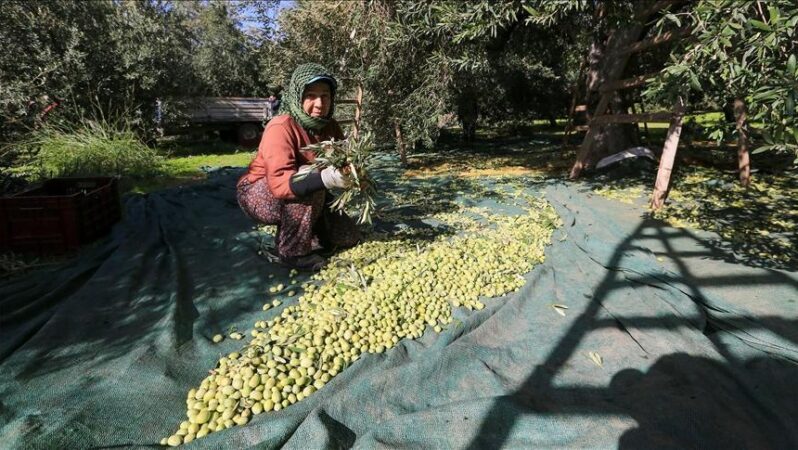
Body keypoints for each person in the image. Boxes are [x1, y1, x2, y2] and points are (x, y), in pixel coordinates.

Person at [237, 63, 361, 271]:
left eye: (326, 96)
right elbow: (280, 184)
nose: (320, 103)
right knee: (309, 179)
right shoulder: (281, 127)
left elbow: (343, 159)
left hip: (309, 192)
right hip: (258, 193)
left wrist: (356, 174)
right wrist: (327, 178)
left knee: (347, 237)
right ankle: (291, 253)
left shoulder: (330, 126)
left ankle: (308, 232)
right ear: (298, 96)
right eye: (311, 95)